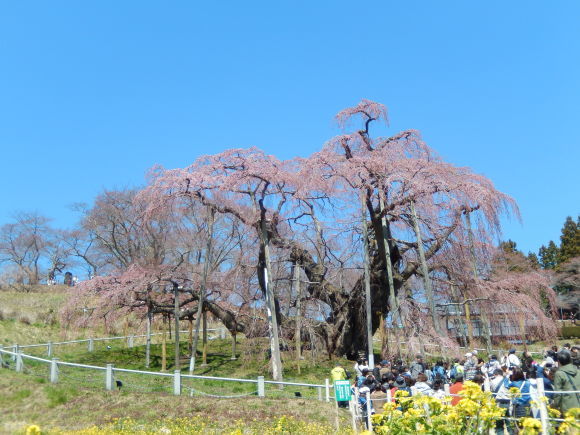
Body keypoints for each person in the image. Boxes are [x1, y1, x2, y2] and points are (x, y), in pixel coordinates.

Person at [553, 350, 580, 414]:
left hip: (568, 406)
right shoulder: (578, 371)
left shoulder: (559, 374)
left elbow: (558, 393)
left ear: (559, 361)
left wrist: (555, 405)